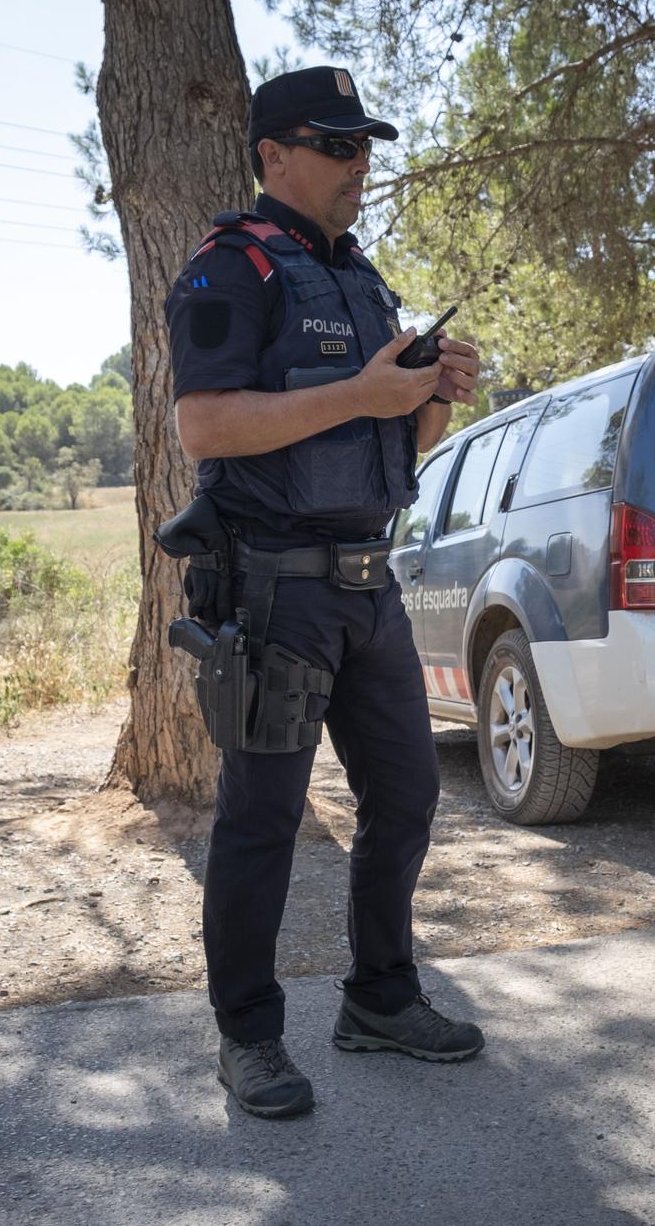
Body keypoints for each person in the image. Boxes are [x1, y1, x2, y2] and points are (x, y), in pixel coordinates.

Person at [163, 65, 484, 1120]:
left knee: (407, 797)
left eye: (365, 147)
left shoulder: (359, 279)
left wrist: (426, 395)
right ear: (273, 155)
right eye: (337, 145)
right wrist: (361, 389)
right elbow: (203, 427)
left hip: (366, 586)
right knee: (260, 823)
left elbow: (396, 451)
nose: (359, 166)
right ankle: (247, 1037)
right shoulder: (228, 269)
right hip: (271, 595)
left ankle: (380, 998)